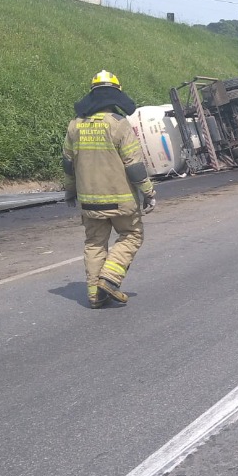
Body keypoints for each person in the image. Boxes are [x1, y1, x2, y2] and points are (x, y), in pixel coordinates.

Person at [63, 70, 156, 309]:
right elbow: (134, 166)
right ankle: (110, 279)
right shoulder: (119, 125)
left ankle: (95, 297)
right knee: (132, 236)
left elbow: (68, 165)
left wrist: (70, 192)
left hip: (89, 203)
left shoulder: (75, 126)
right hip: (121, 201)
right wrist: (148, 192)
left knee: (94, 243)